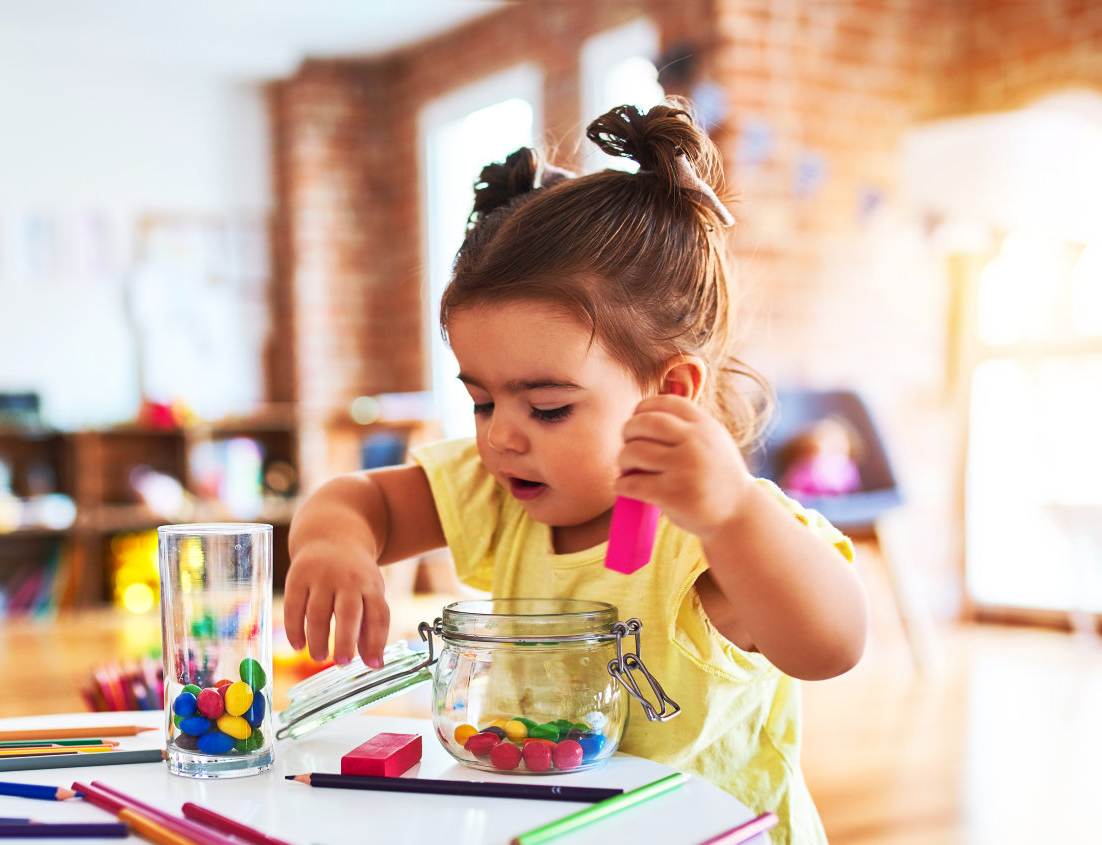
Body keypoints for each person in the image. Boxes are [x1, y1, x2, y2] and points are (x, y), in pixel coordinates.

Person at [282, 101, 865, 845]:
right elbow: (362, 500)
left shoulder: (717, 533)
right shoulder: (501, 490)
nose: (501, 438)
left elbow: (833, 642)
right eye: (482, 400)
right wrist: (334, 543)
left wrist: (731, 516)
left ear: (670, 392)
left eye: (548, 407)